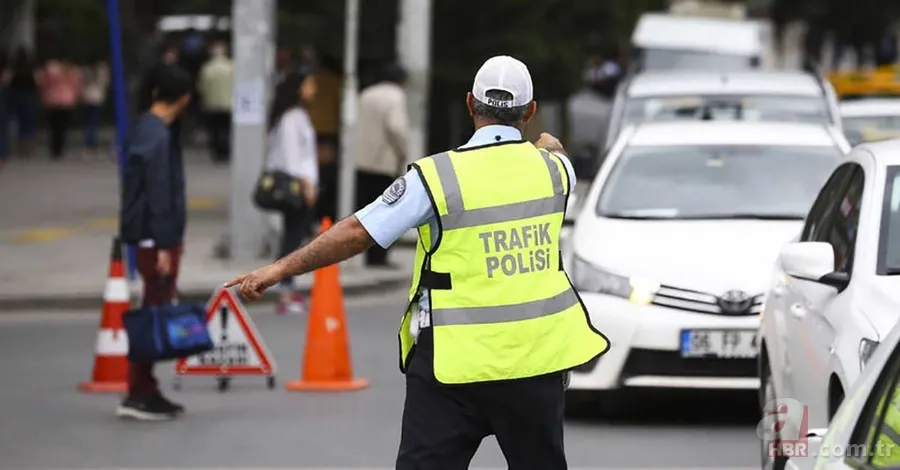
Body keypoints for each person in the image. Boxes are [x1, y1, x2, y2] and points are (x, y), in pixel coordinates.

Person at [225, 55, 610, 469]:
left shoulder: (435, 177)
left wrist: (279, 269)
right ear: (530, 111)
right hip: (535, 365)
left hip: (452, 366)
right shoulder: (556, 172)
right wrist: (548, 145)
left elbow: (357, 232)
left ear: (470, 103)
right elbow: (554, 150)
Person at [118, 66, 193, 420]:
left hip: (151, 235)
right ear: (184, 99)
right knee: (153, 311)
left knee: (154, 307)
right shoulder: (158, 136)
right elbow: (159, 193)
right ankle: (139, 391)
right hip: (155, 238)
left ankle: (144, 387)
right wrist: (164, 244)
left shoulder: (147, 128)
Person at [264, 70, 319, 315]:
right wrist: (307, 185)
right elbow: (292, 157)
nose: (314, 89)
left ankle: (287, 288)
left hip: (301, 184)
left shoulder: (297, 115)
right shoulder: (291, 117)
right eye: (310, 84)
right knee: (292, 238)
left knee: (294, 236)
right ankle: (285, 291)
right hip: (296, 186)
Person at [354, 62, 409, 267]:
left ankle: (365, 254)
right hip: (383, 161)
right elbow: (396, 127)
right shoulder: (395, 96)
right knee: (386, 211)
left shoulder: (365, 94)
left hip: (361, 160)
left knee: (365, 210)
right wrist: (403, 150)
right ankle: (378, 257)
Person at [37, 56, 82, 160]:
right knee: (63, 127)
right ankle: (60, 148)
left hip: (53, 100)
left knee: (54, 127)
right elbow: (76, 86)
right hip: (67, 100)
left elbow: (44, 84)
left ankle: (55, 149)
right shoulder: (73, 71)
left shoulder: (50, 69)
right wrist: (77, 97)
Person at [197, 41, 233, 163]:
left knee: (215, 129)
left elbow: (202, 87)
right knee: (227, 128)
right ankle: (226, 150)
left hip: (212, 103)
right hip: (229, 103)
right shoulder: (231, 67)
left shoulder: (207, 68)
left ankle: (217, 152)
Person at [5, 47, 39, 157]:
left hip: (16, 96)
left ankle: (18, 146)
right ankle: (27, 147)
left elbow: (7, 82)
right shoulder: (31, 68)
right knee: (28, 123)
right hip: (29, 96)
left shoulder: (14, 68)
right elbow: (37, 82)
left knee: (16, 122)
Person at [80, 58, 109, 152]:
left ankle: (89, 141)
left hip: (87, 97)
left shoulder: (85, 71)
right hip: (97, 98)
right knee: (94, 121)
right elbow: (105, 83)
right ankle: (92, 141)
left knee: (89, 121)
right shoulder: (101, 71)